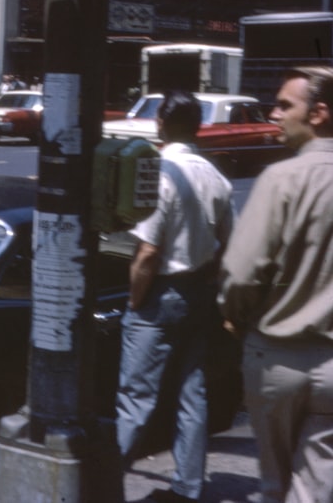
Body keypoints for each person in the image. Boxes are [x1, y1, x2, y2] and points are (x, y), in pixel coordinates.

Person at [217, 66, 333, 503]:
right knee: (317, 488)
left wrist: (235, 316)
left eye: (285, 105)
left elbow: (242, 273)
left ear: (319, 112)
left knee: (274, 484)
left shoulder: (280, 179)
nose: (274, 114)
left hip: (277, 357)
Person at [116, 90, 235, 503]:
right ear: (198, 127)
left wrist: (134, 302)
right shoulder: (215, 177)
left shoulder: (159, 173)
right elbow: (227, 245)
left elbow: (147, 252)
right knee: (192, 391)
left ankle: (106, 477)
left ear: (161, 125)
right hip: (198, 291)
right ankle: (188, 485)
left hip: (159, 294)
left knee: (136, 396)